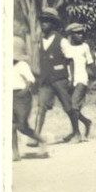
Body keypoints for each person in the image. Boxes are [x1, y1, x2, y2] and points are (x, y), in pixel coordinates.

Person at [33, 7, 82, 143]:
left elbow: (70, 60)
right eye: (42, 21)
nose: (44, 24)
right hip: (45, 81)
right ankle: (36, 137)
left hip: (60, 79)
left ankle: (77, 133)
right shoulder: (40, 41)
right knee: (41, 107)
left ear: (54, 24)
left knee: (68, 107)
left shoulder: (61, 40)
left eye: (47, 21)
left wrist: (71, 79)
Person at [12, 36, 48, 160]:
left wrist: (24, 91)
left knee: (22, 126)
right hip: (11, 96)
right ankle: (15, 152)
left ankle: (41, 140)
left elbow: (31, 80)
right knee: (11, 126)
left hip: (22, 98)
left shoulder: (22, 65)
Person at [63, 23, 94, 141]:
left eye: (82, 33)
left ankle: (77, 134)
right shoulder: (66, 46)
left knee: (74, 106)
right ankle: (85, 123)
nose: (81, 35)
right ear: (71, 35)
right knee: (70, 108)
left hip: (81, 79)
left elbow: (90, 63)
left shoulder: (85, 47)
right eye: (77, 33)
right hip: (70, 80)